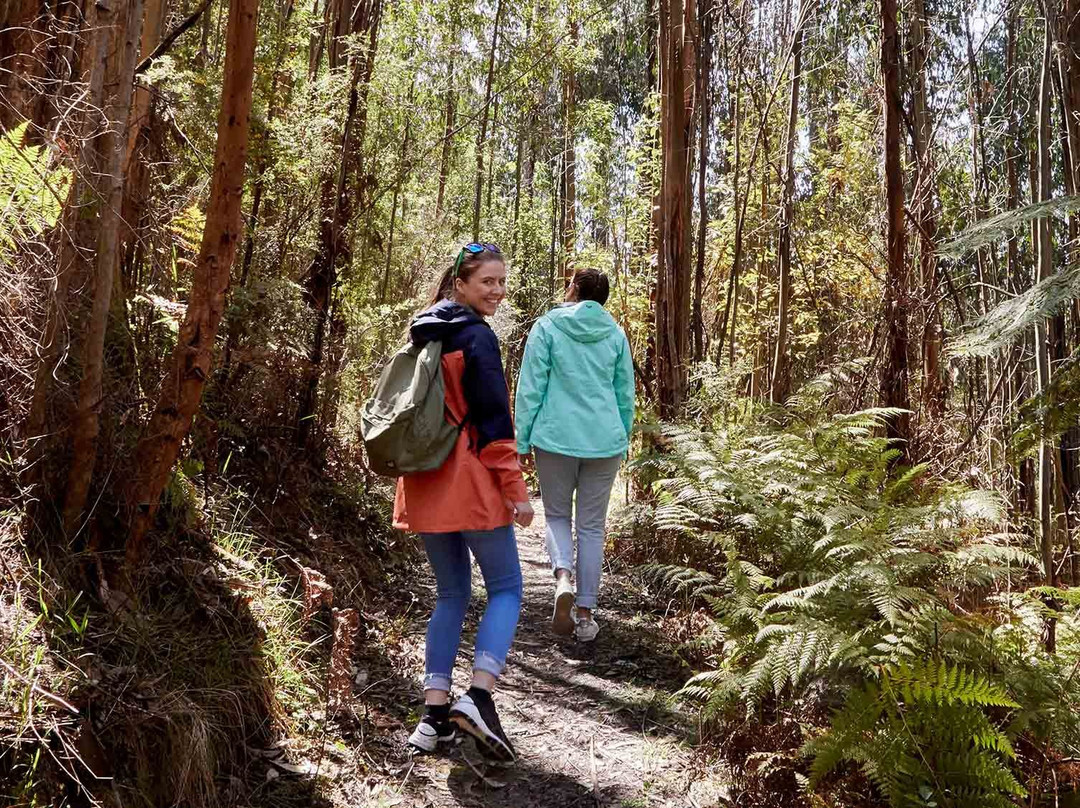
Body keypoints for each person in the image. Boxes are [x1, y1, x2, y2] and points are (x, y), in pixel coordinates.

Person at [398, 242, 534, 763]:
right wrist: (515, 490)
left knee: (451, 593)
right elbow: (494, 421)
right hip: (471, 480)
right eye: (487, 282)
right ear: (461, 284)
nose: (497, 291)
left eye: (501, 282)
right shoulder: (477, 336)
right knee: (506, 587)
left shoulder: (423, 330)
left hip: (425, 481)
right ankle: (477, 696)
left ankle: (433, 719)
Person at [515, 268, 635, 643]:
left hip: (555, 438)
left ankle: (563, 576)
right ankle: (585, 614)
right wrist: (623, 436)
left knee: (556, 515)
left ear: (573, 291)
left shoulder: (548, 327)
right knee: (592, 526)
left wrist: (520, 441)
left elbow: (531, 386)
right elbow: (624, 395)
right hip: (604, 442)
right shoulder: (615, 335)